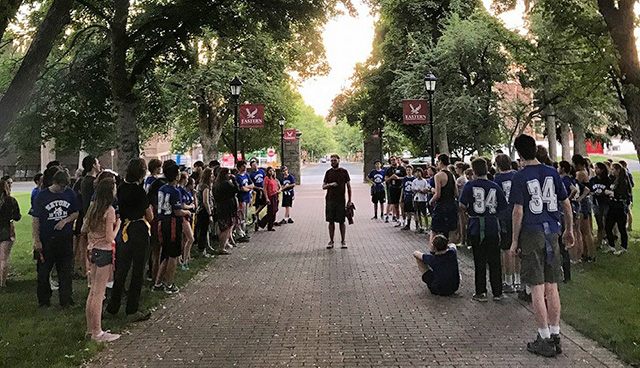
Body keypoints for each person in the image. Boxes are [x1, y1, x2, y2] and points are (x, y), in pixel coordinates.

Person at [509, 134, 574, 358]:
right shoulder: (552, 172)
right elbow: (565, 203)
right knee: (552, 285)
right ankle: (556, 334)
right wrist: (569, 229)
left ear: (519, 153)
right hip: (552, 229)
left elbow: (518, 210)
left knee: (536, 287)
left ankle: (544, 336)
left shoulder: (520, 177)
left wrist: (514, 240)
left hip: (532, 231)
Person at [107, 158, 153, 320]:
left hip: (123, 229)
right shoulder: (139, 191)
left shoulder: (120, 188)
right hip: (139, 229)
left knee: (121, 268)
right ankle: (132, 308)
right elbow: (150, 215)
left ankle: (113, 305)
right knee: (138, 270)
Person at [459, 158, 507, 302]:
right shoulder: (495, 186)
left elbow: (461, 205)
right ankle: (497, 292)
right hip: (492, 225)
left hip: (475, 225)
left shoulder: (469, 186)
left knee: (479, 260)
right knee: (495, 261)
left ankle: (481, 291)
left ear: (473, 171)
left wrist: (468, 213)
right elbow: (503, 206)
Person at [33, 169, 80, 307]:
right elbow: (35, 219)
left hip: (64, 238)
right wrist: (36, 240)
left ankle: (66, 299)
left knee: (65, 271)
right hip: (47, 239)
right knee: (43, 272)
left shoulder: (69, 193)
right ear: (55, 182)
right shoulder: (42, 196)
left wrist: (65, 220)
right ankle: (44, 300)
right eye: (61, 186)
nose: (63, 189)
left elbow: (76, 212)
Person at [82, 177, 121, 342]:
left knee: (92, 292)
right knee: (100, 293)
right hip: (104, 251)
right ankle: (98, 331)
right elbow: (109, 237)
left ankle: (90, 329)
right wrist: (117, 225)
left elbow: (84, 228)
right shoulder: (109, 210)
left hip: (92, 250)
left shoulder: (93, 208)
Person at [152, 164, 189, 294]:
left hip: (162, 221)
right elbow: (178, 211)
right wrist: (187, 212)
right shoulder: (175, 191)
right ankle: (170, 284)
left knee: (165, 254)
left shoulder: (161, 189)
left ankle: (157, 283)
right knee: (173, 255)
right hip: (172, 222)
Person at [493, 154, 520, 293]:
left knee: (506, 249)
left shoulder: (497, 179)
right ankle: (518, 279)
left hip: (504, 215)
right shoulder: (517, 175)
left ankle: (508, 280)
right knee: (518, 247)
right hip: (518, 213)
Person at [322, 154, 352, 249]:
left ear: (339, 160)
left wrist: (349, 200)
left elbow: (349, 186)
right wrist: (330, 185)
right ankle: (331, 241)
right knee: (330, 221)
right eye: (331, 161)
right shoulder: (328, 173)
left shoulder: (344, 172)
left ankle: (343, 241)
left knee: (341, 221)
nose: (333, 162)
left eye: (334, 160)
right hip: (330, 199)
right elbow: (323, 186)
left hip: (341, 200)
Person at [429, 154, 458, 246]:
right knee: (451, 230)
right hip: (451, 204)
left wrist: (431, 200)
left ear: (440, 162)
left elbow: (438, 194)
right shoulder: (452, 175)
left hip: (442, 205)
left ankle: (433, 250)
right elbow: (456, 192)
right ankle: (451, 249)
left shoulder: (438, 175)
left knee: (434, 230)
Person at [604, 163, 632, 255]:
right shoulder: (612, 180)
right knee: (608, 226)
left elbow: (621, 194)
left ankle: (624, 246)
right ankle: (611, 245)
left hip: (619, 206)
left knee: (621, 227)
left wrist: (610, 193)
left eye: (613, 169)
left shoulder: (623, 181)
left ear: (618, 170)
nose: (611, 171)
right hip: (612, 205)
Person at [213, 168, 241, 254]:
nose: (230, 175)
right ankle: (222, 247)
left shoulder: (217, 184)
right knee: (226, 228)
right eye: (228, 173)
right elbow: (237, 189)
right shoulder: (226, 184)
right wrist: (234, 179)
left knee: (224, 227)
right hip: (227, 208)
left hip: (221, 207)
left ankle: (224, 243)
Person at [572, 154, 594, 262]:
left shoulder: (580, 173)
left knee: (585, 230)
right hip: (586, 202)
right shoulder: (585, 171)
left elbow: (578, 185)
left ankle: (590, 253)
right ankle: (586, 252)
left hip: (584, 203)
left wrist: (579, 198)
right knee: (584, 230)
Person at [0, 177, 20, 287]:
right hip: (6, 229)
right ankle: (2, 282)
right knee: (4, 258)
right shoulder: (11, 200)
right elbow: (17, 216)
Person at [590, 162, 612, 249]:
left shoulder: (607, 180)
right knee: (599, 224)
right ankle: (599, 242)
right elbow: (590, 189)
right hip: (596, 204)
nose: (595, 170)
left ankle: (607, 239)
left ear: (602, 169)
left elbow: (610, 191)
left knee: (606, 222)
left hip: (605, 204)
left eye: (597, 168)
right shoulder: (593, 180)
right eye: (595, 168)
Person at [196, 168, 215, 257]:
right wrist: (210, 214)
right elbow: (205, 201)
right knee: (203, 230)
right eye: (211, 174)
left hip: (200, 210)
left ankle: (204, 248)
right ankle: (202, 250)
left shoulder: (201, 185)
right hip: (204, 211)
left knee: (204, 230)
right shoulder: (205, 187)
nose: (213, 176)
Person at [180, 176, 197, 269]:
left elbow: (195, 205)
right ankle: (184, 260)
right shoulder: (182, 192)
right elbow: (183, 205)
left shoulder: (190, 192)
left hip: (190, 216)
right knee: (190, 238)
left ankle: (186, 257)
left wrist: (194, 196)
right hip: (184, 217)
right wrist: (190, 207)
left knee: (186, 239)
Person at [257, 167, 280, 231]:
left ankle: (270, 224)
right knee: (271, 211)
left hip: (275, 195)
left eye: (272, 171)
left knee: (275, 210)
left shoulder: (273, 179)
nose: (271, 172)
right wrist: (267, 198)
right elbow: (264, 188)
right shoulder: (266, 179)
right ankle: (263, 223)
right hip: (270, 196)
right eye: (270, 171)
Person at [234, 161, 253, 241]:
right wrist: (247, 188)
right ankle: (240, 233)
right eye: (243, 166)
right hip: (241, 198)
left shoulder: (246, 175)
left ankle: (244, 231)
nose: (245, 167)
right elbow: (242, 188)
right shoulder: (237, 177)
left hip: (247, 198)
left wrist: (247, 187)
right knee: (241, 216)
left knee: (245, 216)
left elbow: (252, 185)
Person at [384, 156, 406, 226]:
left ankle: (404, 220)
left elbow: (406, 177)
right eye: (391, 160)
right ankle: (398, 219)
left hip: (400, 188)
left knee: (402, 204)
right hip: (392, 188)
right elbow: (386, 179)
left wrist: (398, 178)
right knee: (395, 205)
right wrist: (391, 177)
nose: (393, 161)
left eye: (394, 160)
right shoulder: (389, 170)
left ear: (397, 160)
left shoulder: (402, 169)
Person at [412, 168, 429, 233]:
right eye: (417, 172)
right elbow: (413, 189)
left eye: (419, 172)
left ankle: (427, 226)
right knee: (417, 212)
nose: (418, 174)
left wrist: (422, 190)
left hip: (423, 199)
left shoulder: (424, 181)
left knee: (424, 213)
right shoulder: (414, 181)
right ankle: (420, 225)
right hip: (416, 198)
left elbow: (426, 189)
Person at [249, 160, 266, 224]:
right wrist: (256, 189)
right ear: (251, 167)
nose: (255, 166)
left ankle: (256, 213)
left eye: (255, 164)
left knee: (265, 202)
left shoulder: (261, 171)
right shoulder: (252, 175)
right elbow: (252, 184)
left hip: (263, 189)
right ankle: (257, 218)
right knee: (257, 204)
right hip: (257, 190)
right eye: (253, 165)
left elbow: (265, 179)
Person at [619, 160, 634, 231]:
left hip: (627, 195)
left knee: (628, 210)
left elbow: (631, 184)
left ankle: (630, 225)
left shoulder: (627, 174)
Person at [401, 166, 416, 230]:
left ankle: (417, 224)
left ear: (412, 170)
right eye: (407, 170)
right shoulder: (405, 179)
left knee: (415, 211)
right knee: (408, 211)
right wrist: (401, 197)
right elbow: (403, 188)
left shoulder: (414, 179)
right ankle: (408, 224)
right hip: (406, 196)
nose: (408, 171)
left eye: (409, 170)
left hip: (413, 196)